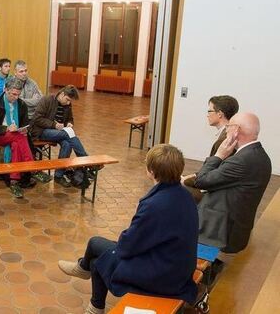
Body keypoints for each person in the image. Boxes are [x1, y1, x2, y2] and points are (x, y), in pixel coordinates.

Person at [58, 144, 199, 314]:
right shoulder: (185, 195)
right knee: (98, 252)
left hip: (162, 274)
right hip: (176, 265)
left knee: (97, 252)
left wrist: (126, 239)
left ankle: (86, 277)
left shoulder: (155, 204)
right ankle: (89, 289)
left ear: (152, 171)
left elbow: (127, 246)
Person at [194, 112, 272, 257]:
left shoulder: (242, 160)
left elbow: (201, 181)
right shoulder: (259, 154)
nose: (226, 130)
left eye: (228, 127)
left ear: (236, 130)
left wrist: (218, 155)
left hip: (223, 232)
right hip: (237, 225)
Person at [0, 78, 51, 198]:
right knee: (19, 137)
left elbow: (26, 123)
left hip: (16, 136)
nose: (16, 97)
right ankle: (33, 169)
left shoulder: (21, 104)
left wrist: (25, 129)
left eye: (18, 94)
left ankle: (14, 181)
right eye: (13, 94)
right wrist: (6, 128)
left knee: (16, 142)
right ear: (5, 90)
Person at [31, 85, 90, 187]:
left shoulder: (67, 105)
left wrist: (70, 123)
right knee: (68, 134)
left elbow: (70, 119)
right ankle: (85, 159)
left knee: (67, 144)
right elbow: (37, 119)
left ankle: (58, 175)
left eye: (70, 101)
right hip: (42, 131)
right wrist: (54, 125)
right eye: (67, 100)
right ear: (62, 94)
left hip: (60, 133)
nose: (68, 103)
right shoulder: (47, 99)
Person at [182, 95, 239, 189]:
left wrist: (185, 180)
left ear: (220, 114)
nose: (207, 114)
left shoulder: (224, 140)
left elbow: (213, 174)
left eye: (209, 111)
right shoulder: (229, 134)